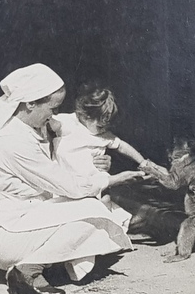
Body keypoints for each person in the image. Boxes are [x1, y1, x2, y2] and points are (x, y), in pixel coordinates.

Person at [0, 63, 146, 294]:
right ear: (30, 103)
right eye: (53, 107)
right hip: (6, 234)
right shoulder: (11, 140)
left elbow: (73, 150)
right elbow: (66, 184)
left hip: (26, 216)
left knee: (94, 210)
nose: (55, 113)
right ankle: (27, 271)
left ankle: (55, 263)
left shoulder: (34, 125)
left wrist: (97, 162)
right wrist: (111, 180)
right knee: (94, 213)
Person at [49, 82, 169, 232]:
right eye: (100, 126)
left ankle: (112, 230)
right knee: (76, 214)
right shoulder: (67, 124)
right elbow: (46, 122)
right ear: (85, 115)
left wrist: (143, 163)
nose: (103, 131)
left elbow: (122, 146)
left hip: (97, 182)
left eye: (106, 127)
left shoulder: (103, 135)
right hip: (72, 183)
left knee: (105, 202)